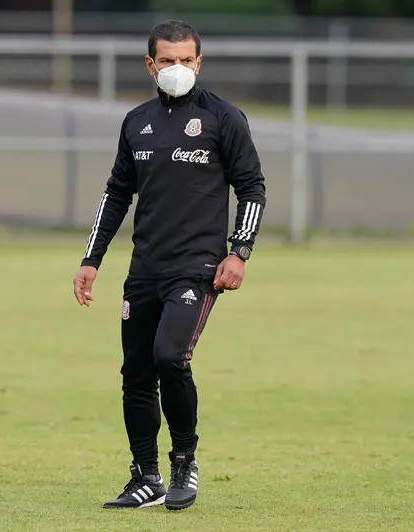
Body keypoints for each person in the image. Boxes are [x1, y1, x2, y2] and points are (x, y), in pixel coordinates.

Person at [73, 19, 266, 511]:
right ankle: (145, 476)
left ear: (199, 63)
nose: (176, 68)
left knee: (169, 356)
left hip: (199, 267)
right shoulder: (135, 122)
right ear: (150, 64)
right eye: (167, 60)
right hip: (145, 269)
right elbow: (117, 193)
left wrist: (238, 251)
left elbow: (252, 188)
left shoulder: (224, 118)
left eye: (185, 60)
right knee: (136, 373)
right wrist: (91, 260)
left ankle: (184, 461)